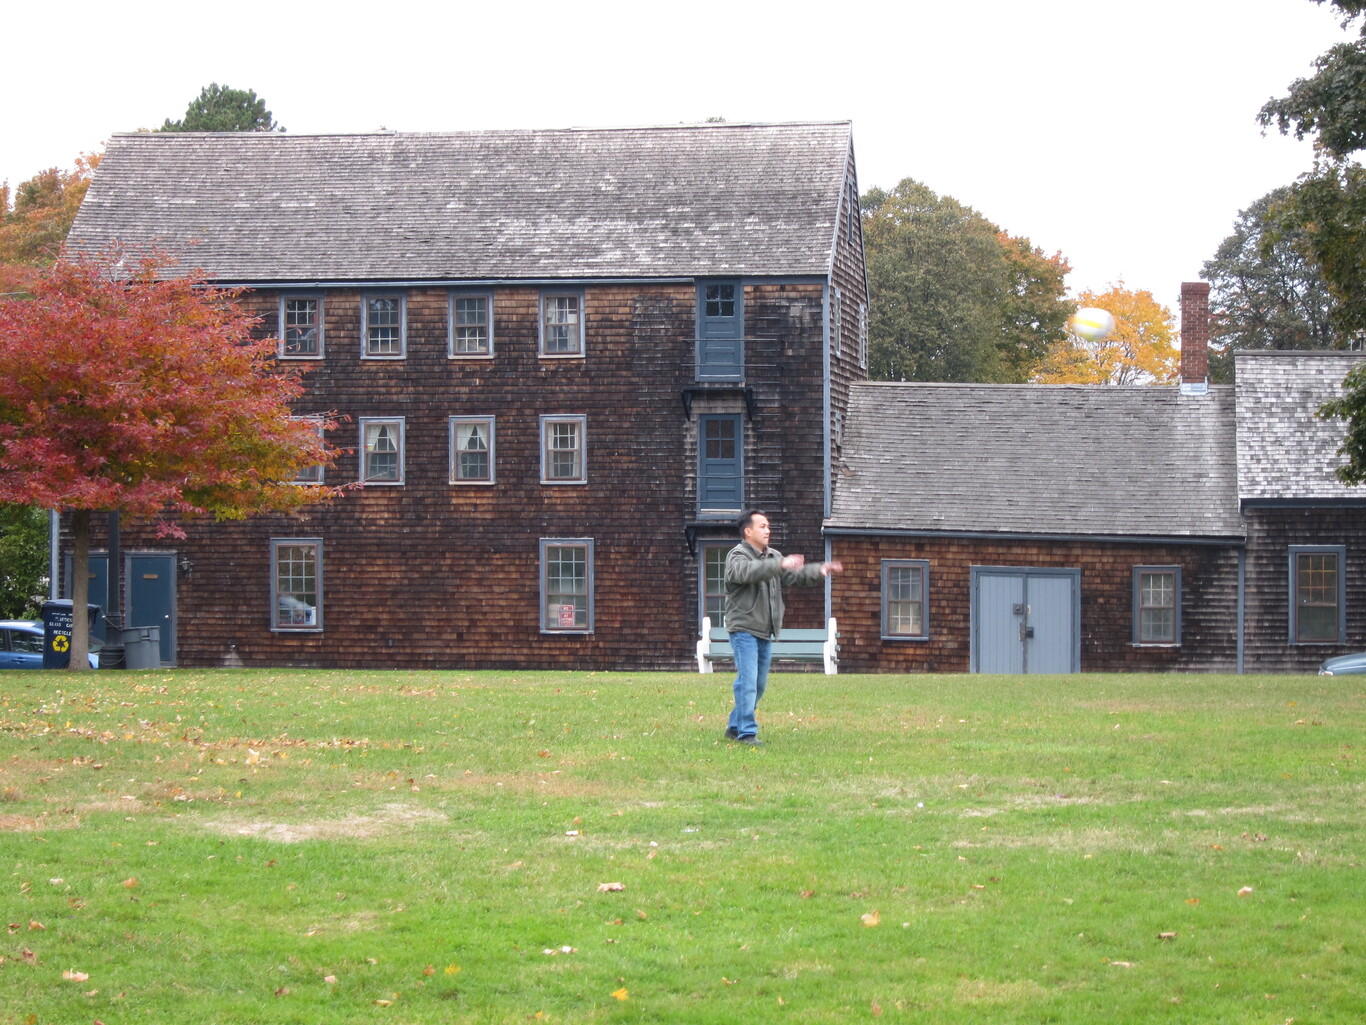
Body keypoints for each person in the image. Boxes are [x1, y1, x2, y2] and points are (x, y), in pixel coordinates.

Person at [723, 509, 842, 745]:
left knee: (758, 685)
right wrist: (780, 564)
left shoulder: (773, 556)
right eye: (762, 526)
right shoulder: (737, 556)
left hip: (765, 630)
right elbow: (747, 572)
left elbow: (793, 575)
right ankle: (747, 733)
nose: (768, 530)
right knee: (748, 682)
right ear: (748, 531)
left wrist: (819, 570)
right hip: (744, 629)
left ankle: (734, 727)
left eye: (768, 526)